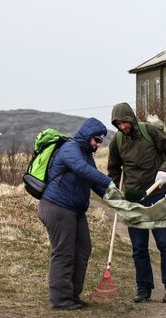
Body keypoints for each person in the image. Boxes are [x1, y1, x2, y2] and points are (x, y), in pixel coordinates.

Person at [107, 103, 166, 303]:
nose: (122, 127)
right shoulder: (118, 141)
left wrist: (165, 170)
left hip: (157, 196)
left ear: (131, 118)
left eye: (124, 122)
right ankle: (143, 288)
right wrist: (114, 193)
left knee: (165, 245)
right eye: (118, 124)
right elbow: (114, 170)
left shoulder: (150, 131)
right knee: (139, 248)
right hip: (133, 199)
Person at [38, 118, 115, 310]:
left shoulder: (87, 154)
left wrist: (119, 199)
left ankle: (72, 295)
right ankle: (61, 299)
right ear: (87, 135)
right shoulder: (70, 149)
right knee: (64, 253)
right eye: (96, 140)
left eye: (100, 141)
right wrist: (109, 182)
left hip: (75, 210)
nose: (97, 144)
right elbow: (82, 170)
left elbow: (94, 183)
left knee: (82, 250)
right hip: (57, 207)